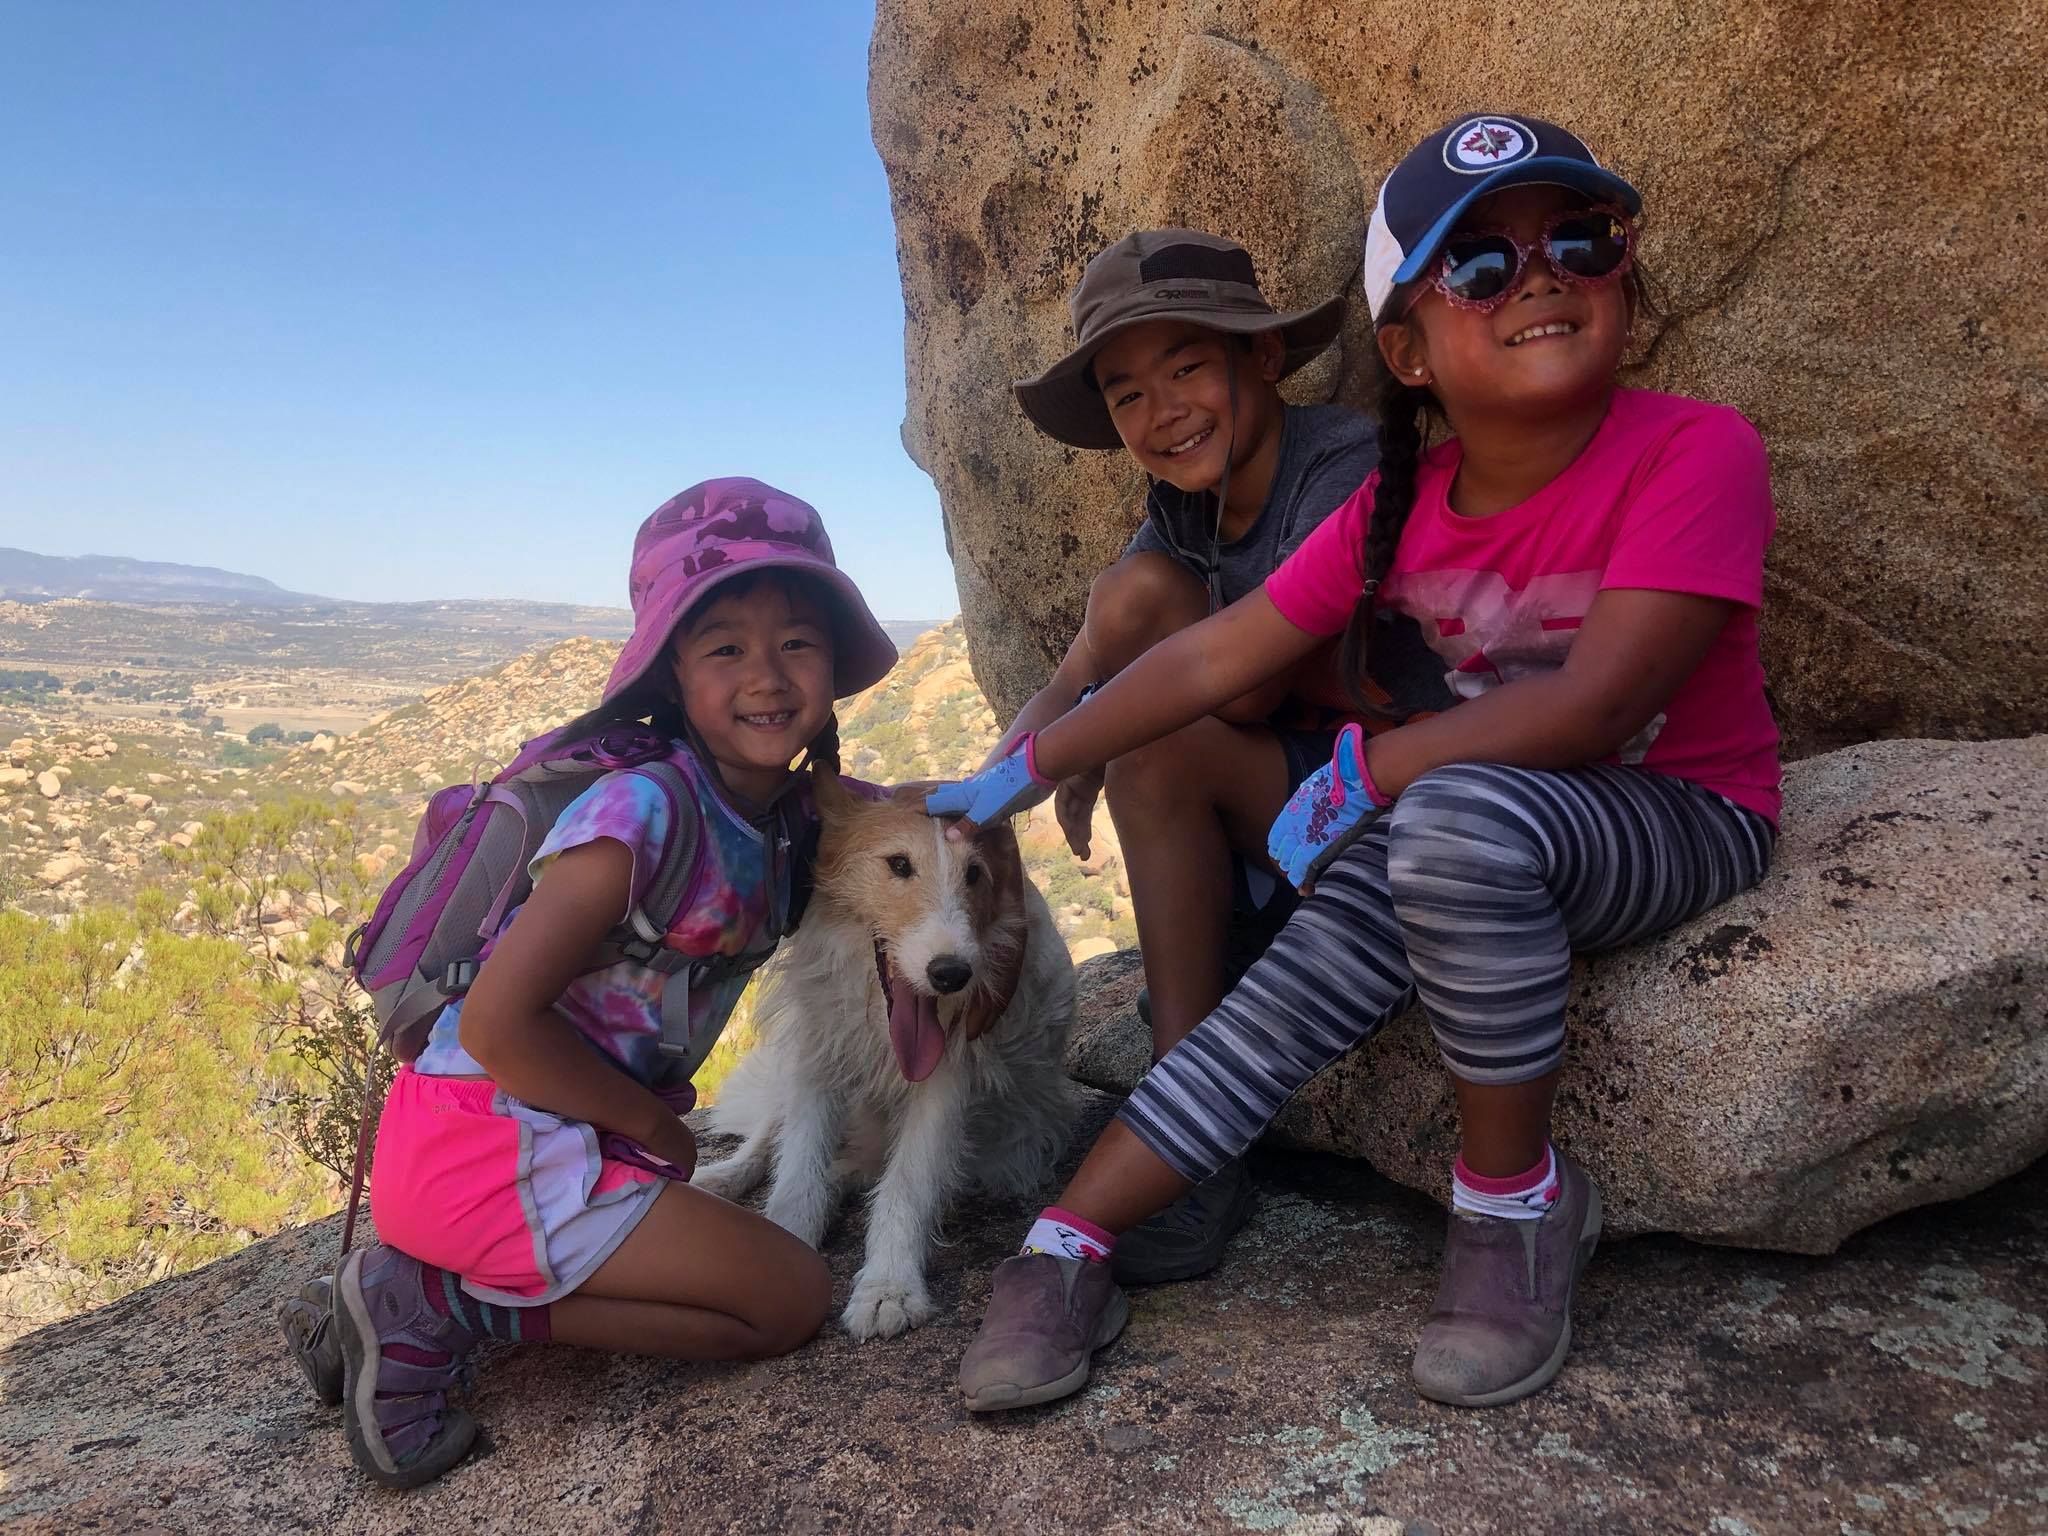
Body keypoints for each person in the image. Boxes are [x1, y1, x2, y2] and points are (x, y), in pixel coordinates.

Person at [927, 112, 1781, 1413]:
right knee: (1301, 984)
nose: (1538, 273)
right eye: (1479, 266)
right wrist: (1024, 767)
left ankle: (1515, 1206)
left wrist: (1378, 773)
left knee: (1440, 822)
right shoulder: (1398, 503)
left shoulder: (1692, 448)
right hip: (1460, 815)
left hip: (1673, 809)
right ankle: (1068, 1244)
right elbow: (1205, 666)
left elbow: (1599, 703)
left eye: (1579, 239)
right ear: (1407, 352)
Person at [281, 478, 901, 1488]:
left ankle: (441, 1287)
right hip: (482, 1143)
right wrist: (657, 1128)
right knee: (783, 1300)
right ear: (673, 673)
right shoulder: (639, 814)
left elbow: (899, 822)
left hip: (550, 1138)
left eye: (798, 642)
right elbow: (494, 1023)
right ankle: (425, 1305)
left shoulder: (783, 818)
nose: (768, 675)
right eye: (724, 648)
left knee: (773, 1294)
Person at [994, 227, 1446, 1285]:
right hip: (1289, 809)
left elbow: (1242, 681)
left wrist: (1101, 734)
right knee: (1129, 605)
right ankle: (1188, 1109)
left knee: (1152, 720)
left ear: (1262, 358)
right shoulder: (1182, 505)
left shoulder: (1340, 464)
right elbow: (1077, 669)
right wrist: (988, 789)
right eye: (1125, 394)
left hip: (1398, 803)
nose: (1162, 413)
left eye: (1188, 366)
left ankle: (1186, 1130)